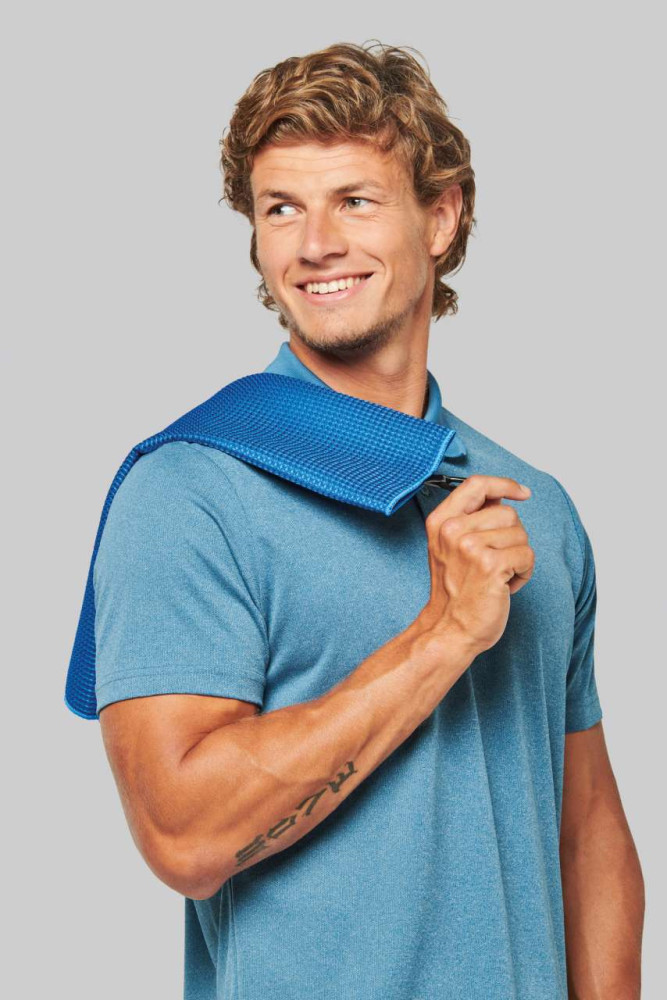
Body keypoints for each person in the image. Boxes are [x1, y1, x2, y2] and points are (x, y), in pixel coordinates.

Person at [93, 41, 644, 1000]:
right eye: (280, 209)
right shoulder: (191, 490)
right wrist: (442, 635)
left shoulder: (533, 506)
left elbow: (586, 829)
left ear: (441, 216)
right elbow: (183, 838)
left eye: (353, 200)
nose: (314, 245)